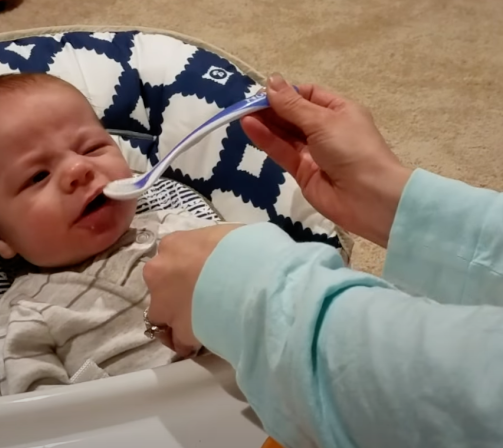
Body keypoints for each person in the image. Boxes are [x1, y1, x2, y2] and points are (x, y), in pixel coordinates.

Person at [144, 73, 503, 448]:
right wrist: (393, 200)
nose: (78, 169)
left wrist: (240, 292)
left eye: (93, 147)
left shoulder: (179, 218)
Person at [0, 73, 218, 395]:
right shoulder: (26, 314)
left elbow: (266, 272)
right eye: (38, 176)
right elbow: (38, 423)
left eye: (91, 147)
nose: (78, 169)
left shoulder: (180, 225)